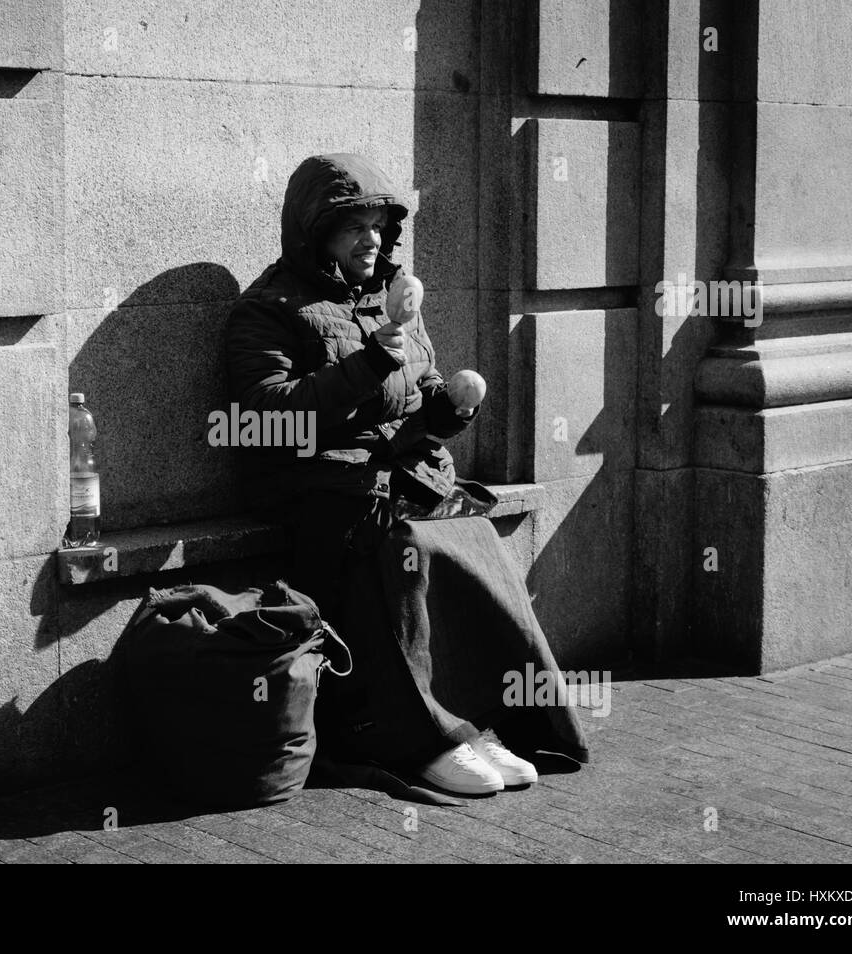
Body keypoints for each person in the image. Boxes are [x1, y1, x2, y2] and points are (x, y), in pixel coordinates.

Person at [224, 153, 589, 795]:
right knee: (400, 547)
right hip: (316, 485)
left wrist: (450, 407)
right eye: (352, 227)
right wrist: (365, 364)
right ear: (315, 233)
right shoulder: (269, 309)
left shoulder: (393, 296)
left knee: (472, 534)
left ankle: (488, 720)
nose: (371, 239)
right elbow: (262, 419)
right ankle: (422, 739)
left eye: (377, 225)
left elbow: (416, 402)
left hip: (394, 476)